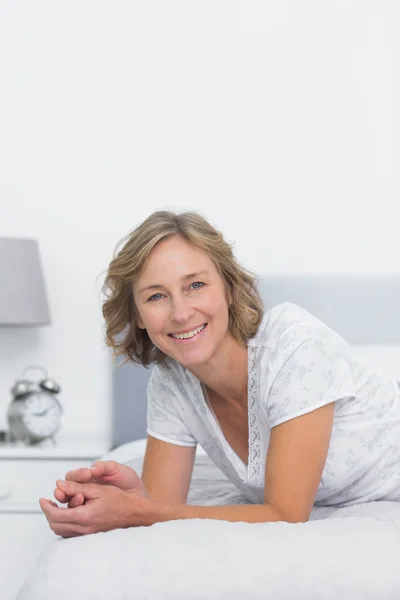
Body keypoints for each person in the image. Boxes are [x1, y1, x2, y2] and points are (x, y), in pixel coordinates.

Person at [39, 210, 400, 538]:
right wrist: (133, 495)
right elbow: (159, 511)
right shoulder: (170, 383)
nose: (181, 313)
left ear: (228, 288)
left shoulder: (295, 346)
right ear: (137, 316)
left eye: (195, 285)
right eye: (155, 296)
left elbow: (287, 515)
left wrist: (138, 510)